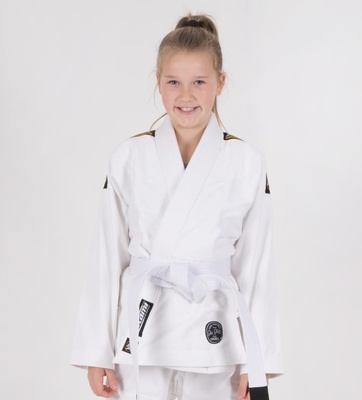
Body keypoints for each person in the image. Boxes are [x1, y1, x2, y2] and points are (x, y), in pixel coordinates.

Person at [71, 14, 283, 400]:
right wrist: (95, 350)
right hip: (143, 331)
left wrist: (259, 362)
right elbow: (107, 257)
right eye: (173, 82)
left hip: (215, 335)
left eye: (199, 82)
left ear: (220, 83)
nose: (186, 96)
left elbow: (256, 267)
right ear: (158, 82)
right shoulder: (128, 157)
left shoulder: (247, 162)